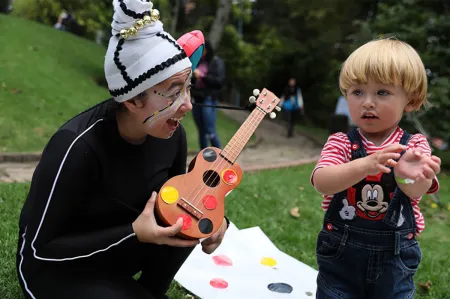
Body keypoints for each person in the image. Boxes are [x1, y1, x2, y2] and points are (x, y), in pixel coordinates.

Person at [16, 1, 229, 298]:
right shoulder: (77, 146)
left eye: (188, 87)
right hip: (55, 271)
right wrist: (132, 233)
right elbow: (41, 249)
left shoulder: (172, 136)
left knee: (184, 224)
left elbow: (176, 206)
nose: (188, 104)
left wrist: (214, 222)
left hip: (120, 252)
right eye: (173, 92)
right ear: (131, 101)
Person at [310, 38, 441, 298]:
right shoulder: (342, 143)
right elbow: (322, 182)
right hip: (341, 255)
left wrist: (405, 176)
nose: (368, 102)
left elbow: (415, 190)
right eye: (357, 92)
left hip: (395, 258)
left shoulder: (413, 146)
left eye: (382, 92)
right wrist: (365, 164)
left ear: (411, 101)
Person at [190, 39, 226, 149]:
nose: (202, 52)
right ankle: (204, 158)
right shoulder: (198, 62)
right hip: (197, 99)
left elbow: (219, 82)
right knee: (201, 131)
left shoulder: (216, 62)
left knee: (209, 129)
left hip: (209, 99)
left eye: (203, 50)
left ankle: (220, 156)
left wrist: (202, 76)